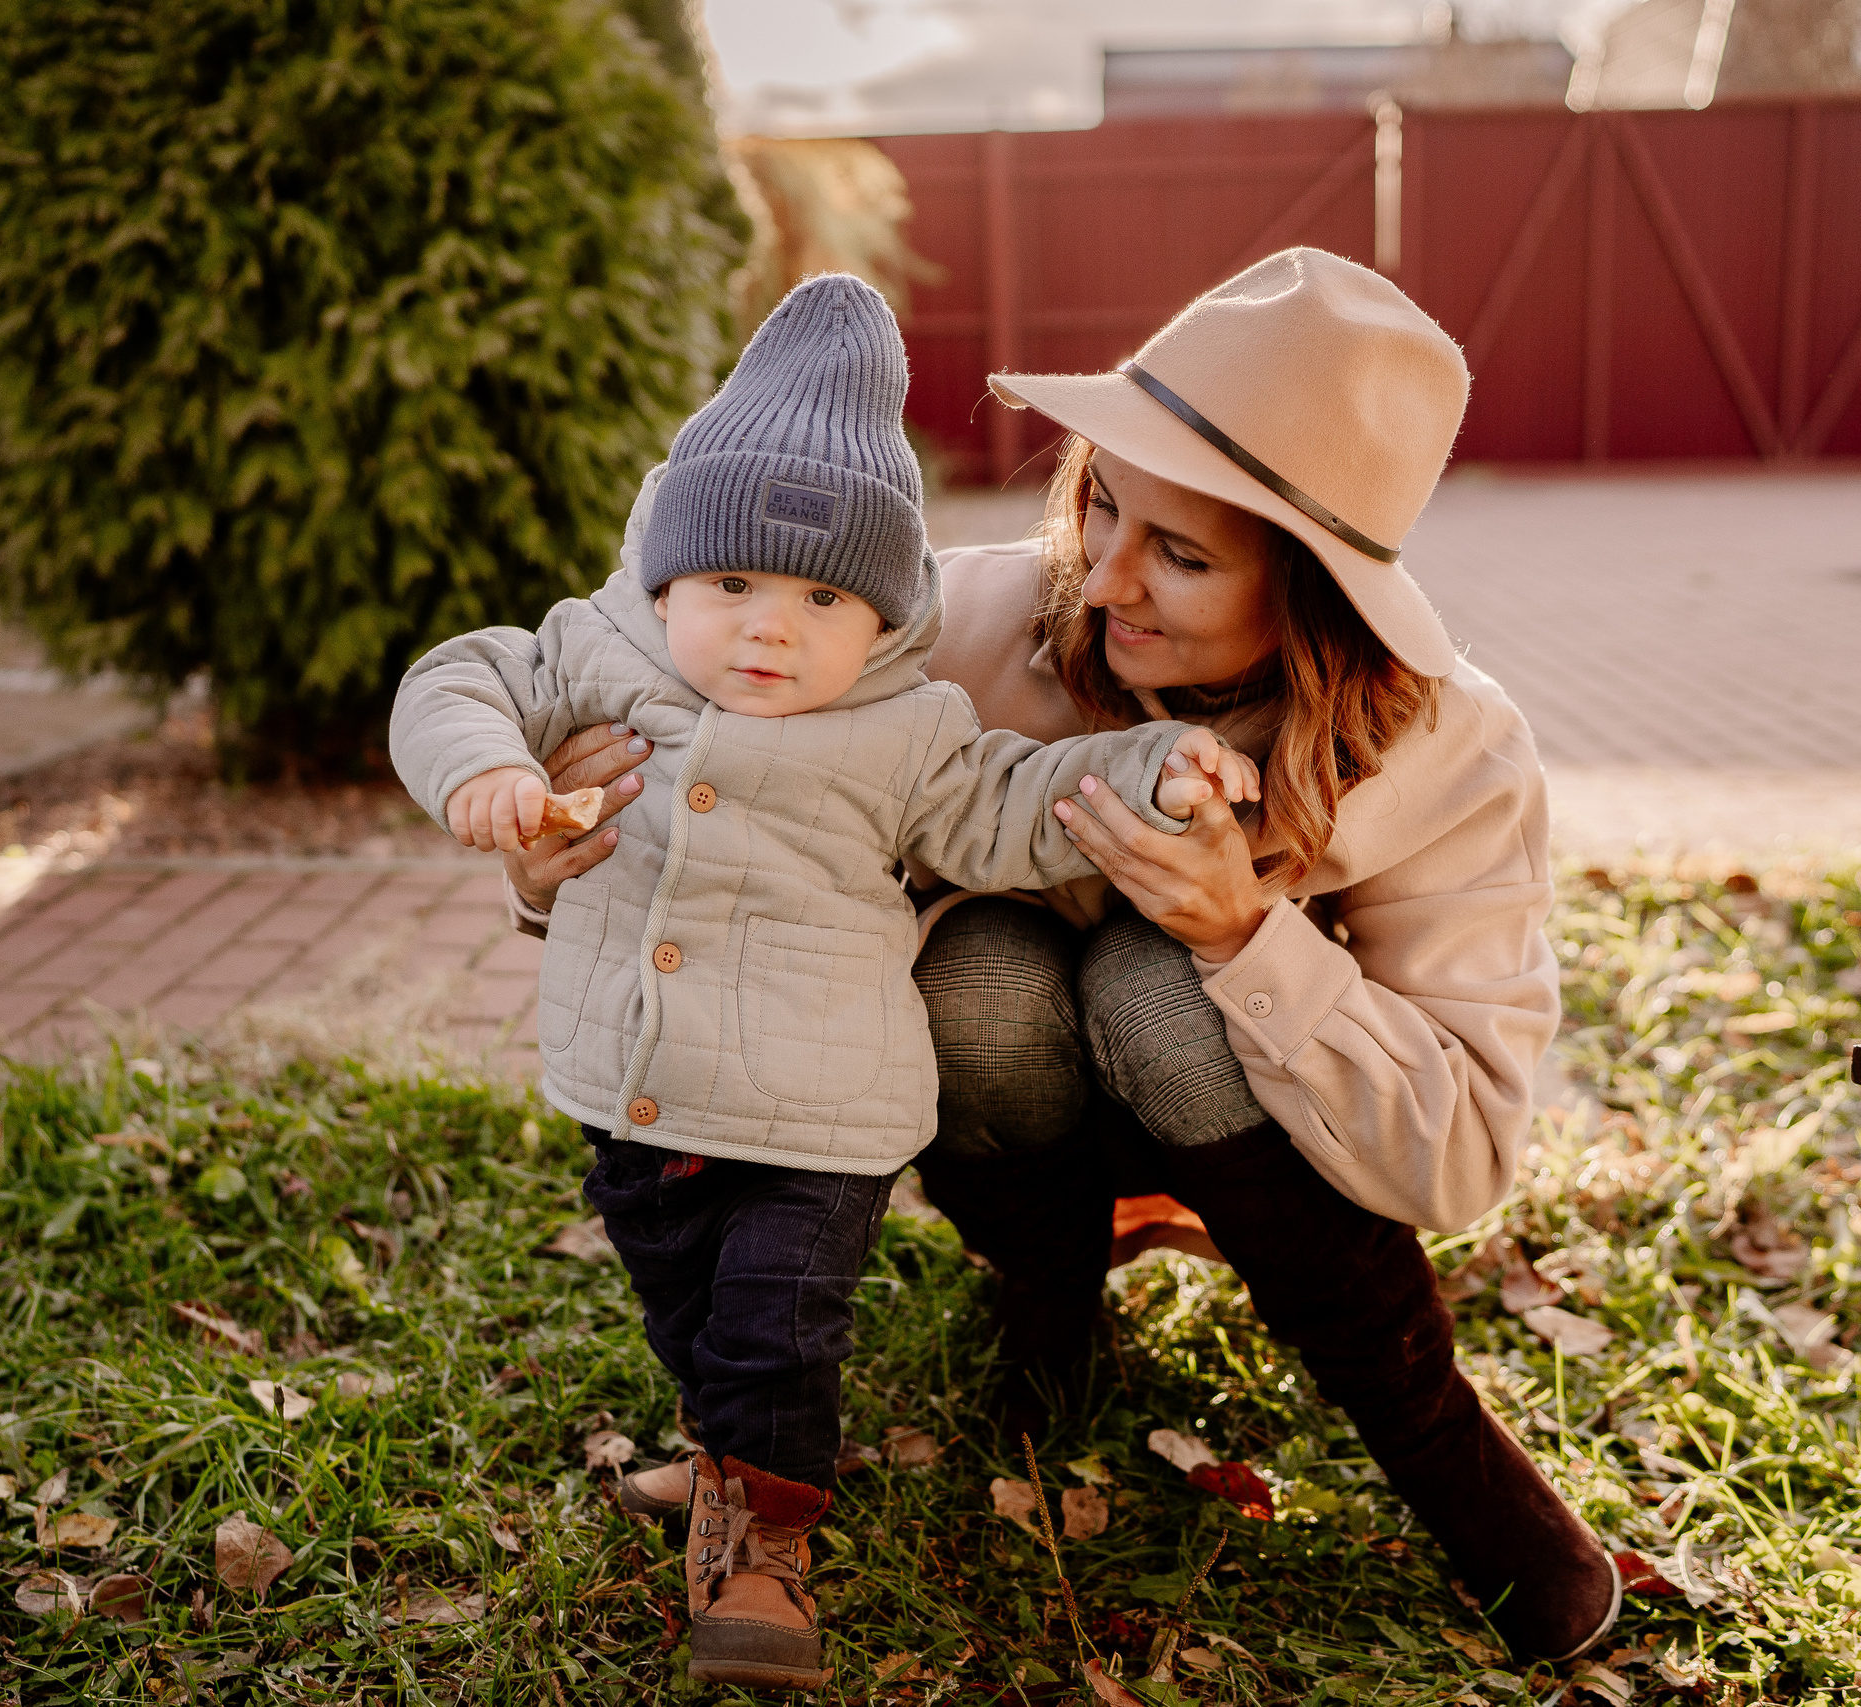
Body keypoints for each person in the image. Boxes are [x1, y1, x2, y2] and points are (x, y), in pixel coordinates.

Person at [491, 249, 1623, 1665]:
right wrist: (567, 859)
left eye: (1185, 555)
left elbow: (1456, 1157)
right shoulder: (950, 630)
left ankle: (1438, 1441)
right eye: (1101, 500)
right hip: (1004, 1097)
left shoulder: (1453, 755)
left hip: (1258, 1133)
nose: (1104, 578)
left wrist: (1245, 937)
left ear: (1315, 595)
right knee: (981, 973)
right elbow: (676, 702)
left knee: (1158, 986)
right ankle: (1048, 1299)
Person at [389, 274, 1251, 1691]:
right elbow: (454, 678)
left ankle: (768, 1541)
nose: (767, 629)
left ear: (888, 616)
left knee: (780, 1321)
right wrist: (485, 767)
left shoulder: (907, 730)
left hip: (818, 1114)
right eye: (729, 585)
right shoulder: (594, 658)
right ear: (668, 577)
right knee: (686, 1305)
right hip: (639, 1086)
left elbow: (1017, 803)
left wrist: (1148, 769)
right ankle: (727, 1455)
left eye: (821, 598)